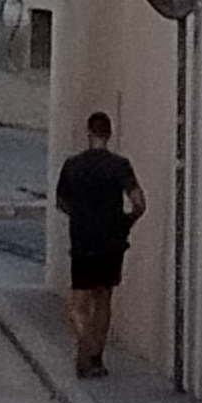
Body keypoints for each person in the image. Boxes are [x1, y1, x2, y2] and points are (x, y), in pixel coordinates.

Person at [54, 110, 146, 377]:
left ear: (89, 133)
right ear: (109, 134)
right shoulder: (120, 165)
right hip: (112, 242)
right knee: (104, 298)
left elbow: (61, 202)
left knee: (78, 303)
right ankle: (96, 357)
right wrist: (125, 222)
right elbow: (139, 203)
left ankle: (85, 345)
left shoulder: (73, 165)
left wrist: (80, 215)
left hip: (83, 240)